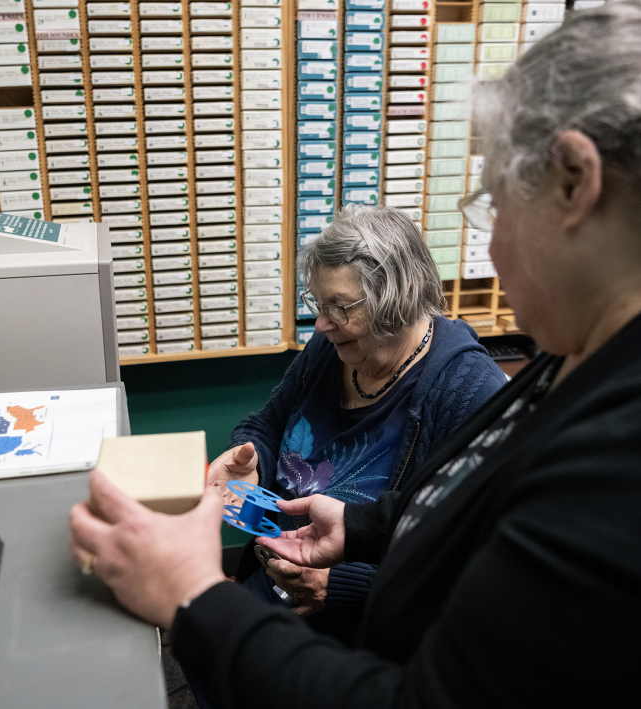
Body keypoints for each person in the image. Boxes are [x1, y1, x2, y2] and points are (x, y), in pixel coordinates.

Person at [71, 2, 641, 706]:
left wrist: (193, 595)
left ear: (574, 180)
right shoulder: (574, 356)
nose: (490, 249)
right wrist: (364, 522)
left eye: (494, 201)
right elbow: (460, 500)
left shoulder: (611, 458)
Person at [209, 205, 505, 627]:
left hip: (364, 628)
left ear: (398, 299)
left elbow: (469, 559)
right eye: (318, 302)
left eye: (341, 307)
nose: (321, 323)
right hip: (273, 581)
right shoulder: (332, 349)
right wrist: (250, 463)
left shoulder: (468, 392)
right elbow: (269, 424)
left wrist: (345, 586)